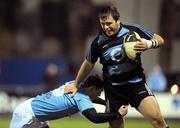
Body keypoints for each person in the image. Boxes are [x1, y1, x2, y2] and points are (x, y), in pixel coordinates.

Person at [64, 5, 169, 128]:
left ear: (118, 20)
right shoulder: (98, 42)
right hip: (114, 90)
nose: (105, 27)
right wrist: (76, 84)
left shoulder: (132, 30)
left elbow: (160, 39)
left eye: (109, 23)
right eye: (102, 24)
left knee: (157, 120)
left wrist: (149, 44)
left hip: (136, 84)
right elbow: (88, 63)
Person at [9, 75, 128, 128]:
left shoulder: (75, 84)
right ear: (92, 88)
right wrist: (118, 114)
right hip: (26, 113)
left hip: (35, 110)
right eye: (99, 91)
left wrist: (104, 103)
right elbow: (95, 118)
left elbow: (92, 97)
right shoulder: (81, 98)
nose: (99, 94)